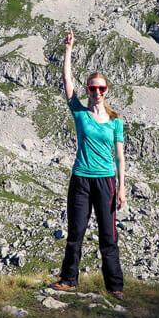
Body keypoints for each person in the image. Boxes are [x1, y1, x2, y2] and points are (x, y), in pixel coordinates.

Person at [50, 27, 126, 301]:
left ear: (106, 91)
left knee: (108, 236)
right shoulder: (80, 114)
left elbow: (120, 157)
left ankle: (115, 287)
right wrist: (68, 49)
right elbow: (66, 82)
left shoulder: (116, 121)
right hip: (80, 178)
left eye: (100, 88)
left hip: (105, 180)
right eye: (92, 88)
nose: (96, 91)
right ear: (88, 90)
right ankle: (69, 279)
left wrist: (121, 188)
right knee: (76, 232)